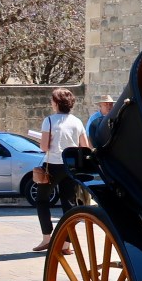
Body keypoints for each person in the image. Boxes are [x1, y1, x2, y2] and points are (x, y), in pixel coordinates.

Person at [33, 88, 90, 252]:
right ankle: (66, 244)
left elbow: (44, 147)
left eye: (52, 100)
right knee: (68, 203)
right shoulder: (77, 121)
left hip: (52, 164)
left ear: (57, 103)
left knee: (42, 200)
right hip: (70, 166)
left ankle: (47, 238)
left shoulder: (49, 121)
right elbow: (84, 147)